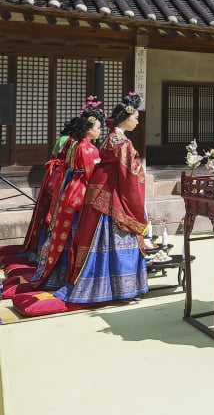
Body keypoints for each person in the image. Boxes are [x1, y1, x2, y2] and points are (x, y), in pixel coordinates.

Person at [56, 93, 149, 305]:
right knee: (118, 237)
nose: (137, 121)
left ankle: (101, 286)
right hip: (114, 194)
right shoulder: (122, 143)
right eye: (135, 117)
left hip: (100, 190)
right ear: (126, 118)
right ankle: (120, 289)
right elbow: (129, 174)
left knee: (97, 239)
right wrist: (140, 176)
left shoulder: (111, 138)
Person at [22, 102, 105, 290]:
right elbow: (92, 176)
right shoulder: (90, 149)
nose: (100, 131)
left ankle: (57, 272)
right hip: (82, 191)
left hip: (70, 190)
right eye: (98, 128)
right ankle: (76, 274)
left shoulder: (76, 145)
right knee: (77, 233)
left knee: (63, 233)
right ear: (90, 129)